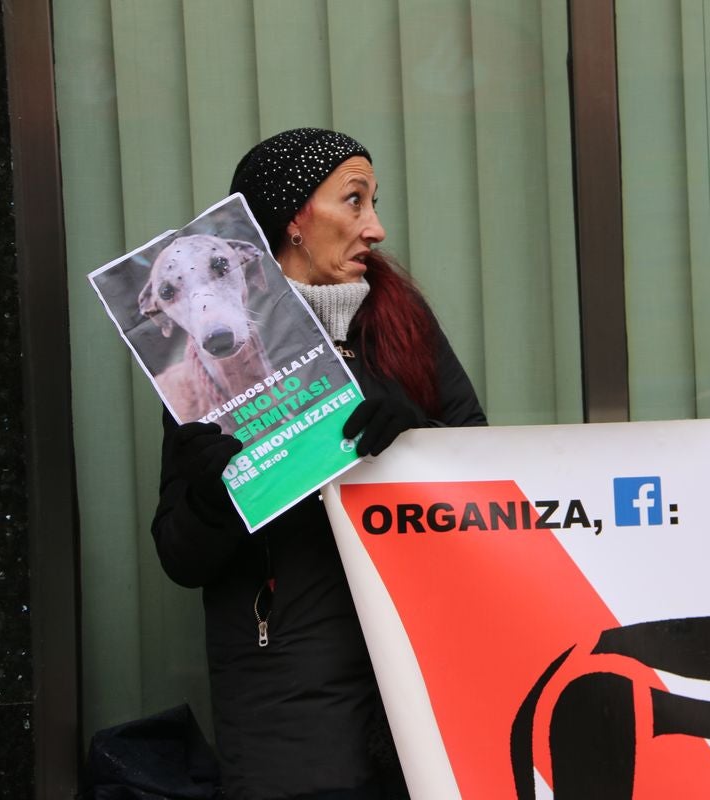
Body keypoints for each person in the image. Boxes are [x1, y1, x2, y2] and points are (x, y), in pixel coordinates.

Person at [149, 128, 487, 799]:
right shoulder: (206, 364)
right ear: (293, 221)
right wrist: (217, 497)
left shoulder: (401, 324)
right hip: (287, 699)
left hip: (421, 673)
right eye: (354, 202)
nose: (377, 229)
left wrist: (416, 433)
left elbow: (482, 482)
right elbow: (179, 556)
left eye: (373, 202)